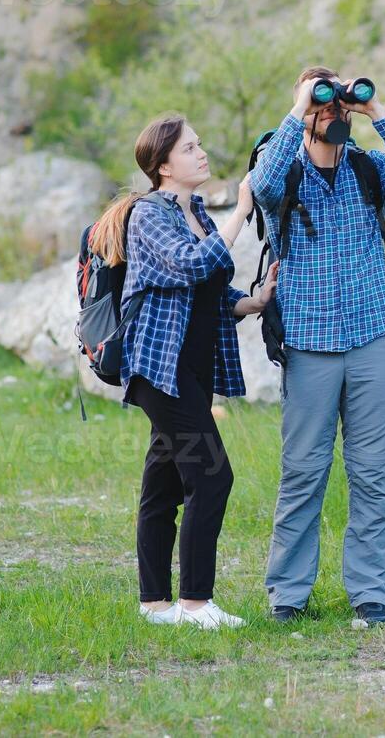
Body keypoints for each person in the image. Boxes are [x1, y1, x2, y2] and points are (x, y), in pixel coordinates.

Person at [251, 67, 385, 626]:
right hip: (309, 343)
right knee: (304, 472)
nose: (332, 114)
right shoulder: (284, 175)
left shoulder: (367, 168)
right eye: (322, 104)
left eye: (336, 105)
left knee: (373, 471)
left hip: (372, 337)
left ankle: (371, 593)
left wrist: (374, 110)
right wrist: (297, 109)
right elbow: (259, 188)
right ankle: (287, 596)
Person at [90, 113, 278, 629]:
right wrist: (241, 212)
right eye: (190, 148)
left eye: (199, 144)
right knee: (213, 478)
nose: (201, 153)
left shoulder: (194, 209)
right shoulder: (150, 214)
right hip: (157, 368)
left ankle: (155, 606)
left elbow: (209, 292)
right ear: (163, 166)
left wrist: (253, 301)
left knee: (164, 487)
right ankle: (196, 604)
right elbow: (191, 265)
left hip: (191, 371)